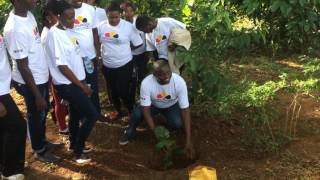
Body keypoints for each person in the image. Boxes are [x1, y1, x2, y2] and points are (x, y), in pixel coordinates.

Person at [45, 0, 103, 164]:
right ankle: (78, 151)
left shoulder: (68, 31)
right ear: (58, 17)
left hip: (77, 80)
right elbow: (62, 66)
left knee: (76, 113)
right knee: (92, 114)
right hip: (67, 84)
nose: (73, 21)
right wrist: (82, 85)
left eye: (73, 17)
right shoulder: (55, 35)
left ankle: (73, 144)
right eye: (68, 18)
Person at [4, 0, 59, 163]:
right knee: (36, 114)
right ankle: (39, 150)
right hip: (29, 82)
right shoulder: (14, 28)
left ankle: (41, 141)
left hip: (39, 76)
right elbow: (22, 66)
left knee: (41, 114)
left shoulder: (28, 14)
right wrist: (37, 95)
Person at [119, 60, 195, 159]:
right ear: (154, 74)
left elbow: (185, 110)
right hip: (153, 105)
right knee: (137, 113)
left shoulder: (179, 82)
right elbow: (146, 110)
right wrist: (157, 135)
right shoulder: (146, 83)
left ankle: (167, 126)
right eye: (162, 75)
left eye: (168, 73)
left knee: (177, 123)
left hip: (171, 105)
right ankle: (129, 132)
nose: (167, 77)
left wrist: (188, 141)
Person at [96, 2, 142, 119]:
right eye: (111, 17)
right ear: (106, 15)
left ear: (121, 15)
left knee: (124, 91)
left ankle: (131, 112)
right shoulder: (101, 26)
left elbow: (138, 43)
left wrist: (126, 50)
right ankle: (118, 111)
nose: (114, 20)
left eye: (116, 17)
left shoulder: (128, 27)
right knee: (113, 92)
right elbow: (98, 42)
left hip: (124, 65)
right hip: (107, 66)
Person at [0, 33, 27, 180]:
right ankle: (10, 170)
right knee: (17, 126)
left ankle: (5, 164)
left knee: (4, 127)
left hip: (3, 88)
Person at [68, 0, 101, 115]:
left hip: (89, 57)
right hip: (74, 59)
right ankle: (82, 115)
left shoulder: (90, 9)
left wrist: (97, 52)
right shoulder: (65, 10)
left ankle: (96, 112)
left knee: (93, 85)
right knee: (78, 86)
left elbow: (95, 32)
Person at [42, 0, 69, 135]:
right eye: (57, 15)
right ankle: (63, 127)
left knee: (62, 101)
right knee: (60, 102)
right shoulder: (48, 34)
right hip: (56, 73)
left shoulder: (52, 31)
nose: (60, 18)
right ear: (49, 17)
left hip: (58, 72)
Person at [121, 1, 148, 98]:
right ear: (122, 13)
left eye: (130, 11)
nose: (128, 13)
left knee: (142, 74)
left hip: (142, 53)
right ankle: (131, 96)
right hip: (129, 56)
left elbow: (146, 36)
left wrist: (147, 51)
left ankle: (142, 94)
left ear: (134, 12)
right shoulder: (121, 25)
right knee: (132, 77)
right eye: (125, 11)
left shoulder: (139, 21)